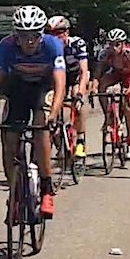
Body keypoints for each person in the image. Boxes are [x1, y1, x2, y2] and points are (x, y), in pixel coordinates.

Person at [0, 5, 65, 217]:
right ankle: (14, 191)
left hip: (44, 87)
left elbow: (60, 84)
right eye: (23, 36)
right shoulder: (6, 46)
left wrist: (53, 115)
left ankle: (46, 188)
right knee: (9, 140)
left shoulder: (53, 45)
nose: (29, 41)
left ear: (42, 34)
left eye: (34, 35)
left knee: (41, 126)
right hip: (18, 89)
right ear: (16, 35)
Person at [92, 27, 130, 160]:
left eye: (117, 44)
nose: (113, 47)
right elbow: (97, 73)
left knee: (129, 106)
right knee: (102, 85)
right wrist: (94, 87)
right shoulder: (104, 53)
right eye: (111, 44)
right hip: (115, 73)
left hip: (129, 77)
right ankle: (108, 117)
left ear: (123, 44)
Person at [47, 15, 89, 159]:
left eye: (58, 32)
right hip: (58, 79)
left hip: (75, 76)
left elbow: (83, 71)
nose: (55, 37)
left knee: (78, 101)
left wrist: (80, 94)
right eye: (51, 33)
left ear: (66, 32)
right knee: (52, 106)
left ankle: (81, 140)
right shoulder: (47, 46)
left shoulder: (77, 44)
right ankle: (59, 142)